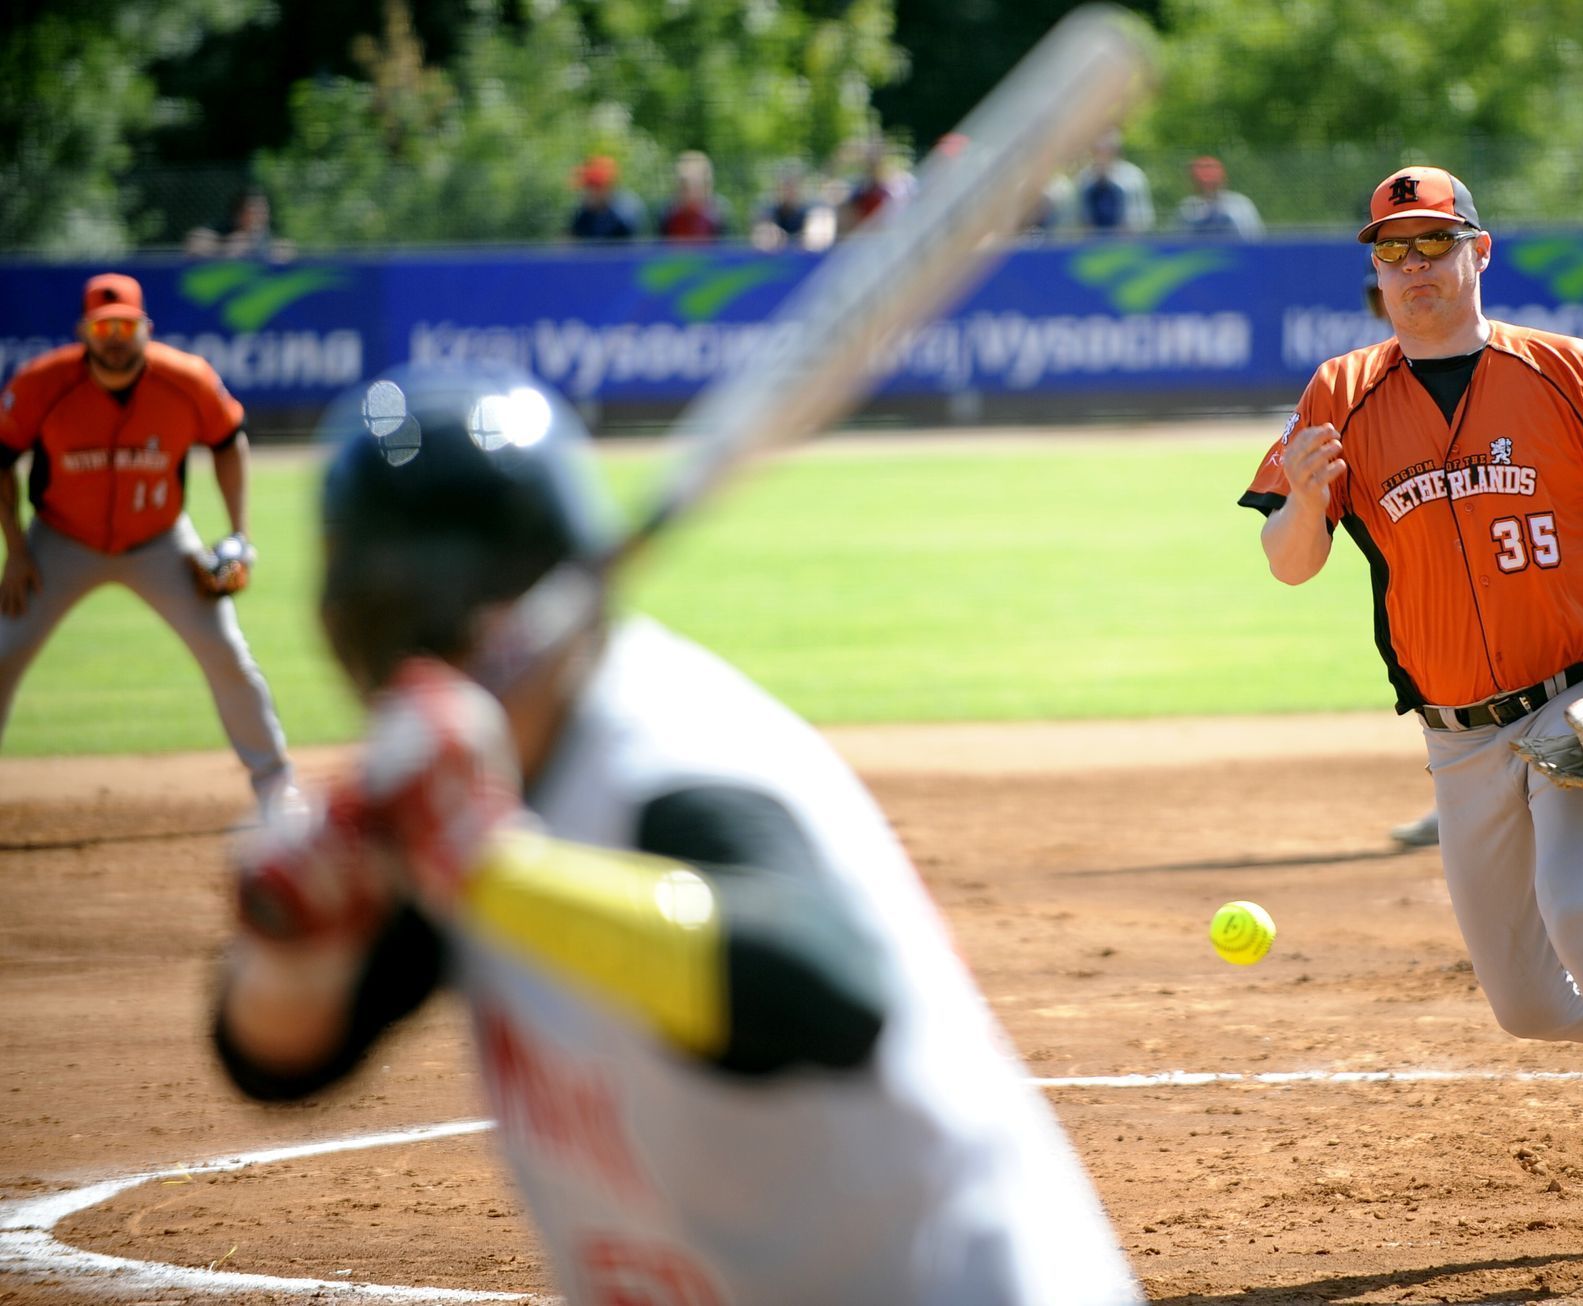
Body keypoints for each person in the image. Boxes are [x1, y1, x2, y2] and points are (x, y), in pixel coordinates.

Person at [210, 363, 1140, 1306]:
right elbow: (279, 1063)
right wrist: (296, 942)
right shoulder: (465, 792)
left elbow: (824, 989)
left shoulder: (671, 756)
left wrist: (490, 868)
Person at [1238, 167, 1583, 1287]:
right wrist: (1301, 497)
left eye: (1433, 245)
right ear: (1372, 272)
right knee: (1530, 1001)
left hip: (1573, 698)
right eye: (1391, 252)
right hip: (1456, 735)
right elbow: (1290, 567)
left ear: (1479, 253)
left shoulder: (1563, 370)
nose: (1412, 270)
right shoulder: (1340, 391)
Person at [0, 273, 295, 815]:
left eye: (126, 325)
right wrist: (16, 551)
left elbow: (229, 442)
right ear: (83, 331)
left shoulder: (187, 379)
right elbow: (2, 460)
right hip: (60, 539)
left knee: (226, 651)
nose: (115, 336)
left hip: (160, 539)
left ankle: (278, 790)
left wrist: (238, 534)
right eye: (103, 325)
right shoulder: (43, 383)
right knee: (4, 649)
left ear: (146, 328)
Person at [184, 186, 295, 262]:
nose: (259, 216)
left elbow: (286, 249)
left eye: (263, 211)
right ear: (238, 214)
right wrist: (224, 247)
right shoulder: (224, 229)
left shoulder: (268, 238)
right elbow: (195, 241)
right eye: (253, 211)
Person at [1075, 130, 1154, 234]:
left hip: (1127, 243)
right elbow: (1077, 218)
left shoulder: (1133, 176)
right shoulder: (1084, 177)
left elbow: (1143, 217)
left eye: (1107, 150)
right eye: (1097, 150)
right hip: (1091, 243)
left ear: (1116, 151)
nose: (1102, 155)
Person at [750, 159, 835, 252]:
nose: (790, 189)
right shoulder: (768, 206)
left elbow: (816, 244)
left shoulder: (816, 207)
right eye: (785, 184)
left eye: (794, 184)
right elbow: (763, 241)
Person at [655, 150, 732, 243]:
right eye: (683, 186)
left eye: (696, 184)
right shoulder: (667, 214)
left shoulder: (720, 215)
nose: (689, 192)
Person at [1176, 156, 1263, 238]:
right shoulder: (1187, 207)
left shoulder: (1240, 204)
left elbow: (1255, 238)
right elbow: (1176, 240)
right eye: (1201, 181)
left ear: (1222, 179)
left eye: (1212, 181)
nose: (1207, 184)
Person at [567, 155, 648, 241]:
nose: (584, 193)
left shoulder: (624, 214)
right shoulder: (586, 213)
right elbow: (572, 240)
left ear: (605, 188)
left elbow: (633, 249)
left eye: (589, 188)